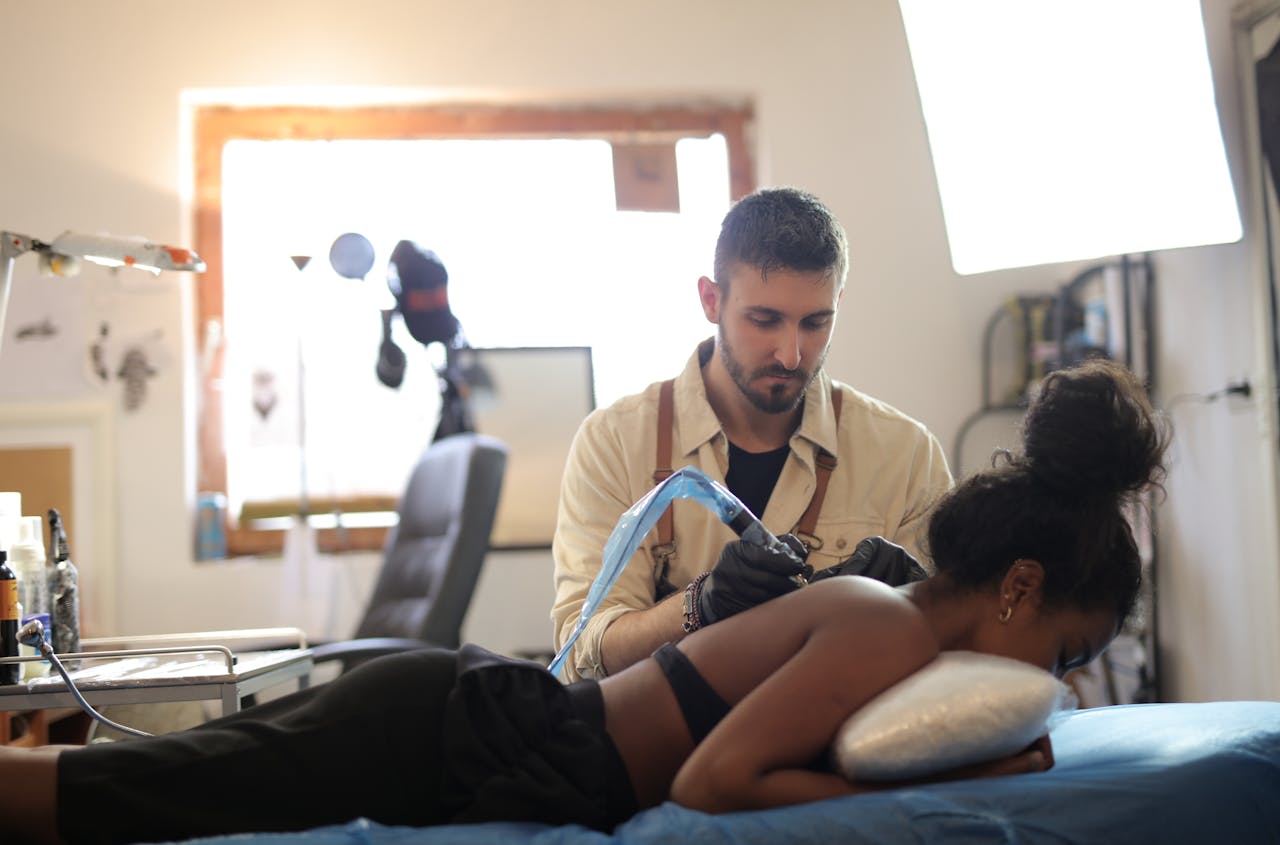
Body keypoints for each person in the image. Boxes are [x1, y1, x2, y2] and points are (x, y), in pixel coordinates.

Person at [0, 358, 1167, 845]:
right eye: (1061, 650)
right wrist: (971, 780)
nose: (1047, 685)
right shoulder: (876, 620)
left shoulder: (893, 641)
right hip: (452, 733)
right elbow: (716, 781)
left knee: (130, 790)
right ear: (1019, 586)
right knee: (118, 795)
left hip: (468, 721)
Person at [552, 186, 953, 681]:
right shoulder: (614, 443)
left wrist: (913, 604)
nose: (791, 354)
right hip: (661, 751)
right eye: (764, 320)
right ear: (710, 299)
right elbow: (580, 656)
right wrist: (699, 604)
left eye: (815, 322)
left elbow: (953, 654)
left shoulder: (906, 455)